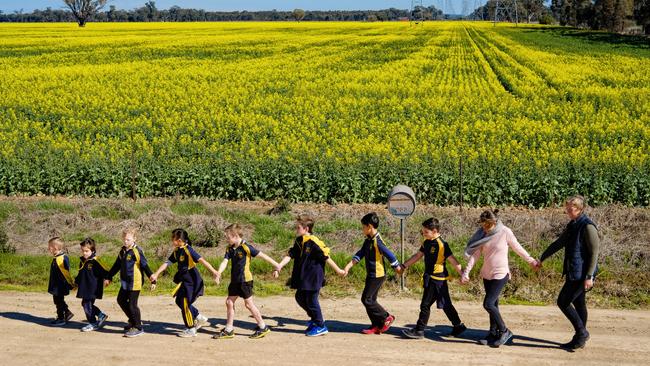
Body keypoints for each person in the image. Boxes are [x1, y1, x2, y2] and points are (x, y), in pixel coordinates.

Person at [461, 209, 539, 347]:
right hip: (487, 274)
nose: (484, 228)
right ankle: (493, 333)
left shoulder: (505, 232)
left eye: (487, 225)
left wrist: (531, 261)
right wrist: (466, 272)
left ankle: (504, 331)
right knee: (494, 305)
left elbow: (517, 248)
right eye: (482, 225)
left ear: (494, 222)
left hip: (500, 273)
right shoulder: (482, 234)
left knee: (488, 304)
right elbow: (475, 255)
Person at [538, 195, 600, 350]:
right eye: (567, 207)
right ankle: (580, 338)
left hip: (582, 274)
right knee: (579, 303)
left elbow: (594, 253)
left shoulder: (587, 226)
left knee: (563, 302)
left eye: (570, 208)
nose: (567, 210)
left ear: (579, 209)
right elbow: (560, 242)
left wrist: (589, 276)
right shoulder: (573, 224)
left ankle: (582, 332)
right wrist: (542, 257)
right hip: (574, 270)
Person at [276, 214, 346, 337]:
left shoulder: (314, 242)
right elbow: (290, 254)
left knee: (312, 300)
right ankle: (315, 318)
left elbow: (326, 257)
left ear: (306, 229)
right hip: (303, 277)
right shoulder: (299, 241)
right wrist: (280, 265)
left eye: (298, 227)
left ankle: (320, 326)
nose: (296, 230)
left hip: (314, 277)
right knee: (299, 297)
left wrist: (338, 270)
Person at [212, 224, 281, 339]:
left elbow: (263, 256)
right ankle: (229, 329)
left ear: (235, 236)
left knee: (248, 304)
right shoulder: (229, 248)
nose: (226, 239)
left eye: (228, 237)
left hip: (245, 281)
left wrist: (277, 266)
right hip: (234, 281)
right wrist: (219, 272)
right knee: (229, 302)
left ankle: (263, 327)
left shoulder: (246, 247)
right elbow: (225, 261)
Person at [401, 217, 466, 339]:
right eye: (423, 232)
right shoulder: (426, 242)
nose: (424, 234)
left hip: (437, 279)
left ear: (435, 231)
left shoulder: (442, 245)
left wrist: (463, 273)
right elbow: (418, 255)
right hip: (431, 278)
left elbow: (453, 260)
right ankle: (458, 326)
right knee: (446, 304)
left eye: (426, 232)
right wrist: (404, 265)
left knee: (425, 305)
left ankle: (419, 330)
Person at [150, 228, 220, 338]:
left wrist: (214, 272)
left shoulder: (188, 250)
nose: (171, 240)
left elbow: (202, 260)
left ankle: (191, 329)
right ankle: (198, 316)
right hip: (185, 280)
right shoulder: (177, 250)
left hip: (192, 280)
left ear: (178, 240)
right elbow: (167, 262)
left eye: (172, 238)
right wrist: (157, 273)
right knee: (179, 301)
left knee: (184, 303)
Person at [342, 212, 401, 334]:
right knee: (370, 300)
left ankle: (386, 317)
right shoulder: (368, 240)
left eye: (363, 227)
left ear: (369, 227)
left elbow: (390, 255)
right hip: (371, 274)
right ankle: (376, 325)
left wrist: (397, 267)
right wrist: (348, 267)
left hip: (378, 275)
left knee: (367, 299)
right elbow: (360, 254)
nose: (362, 229)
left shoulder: (377, 242)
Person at [105, 227, 155, 338]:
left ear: (134, 239)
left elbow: (145, 265)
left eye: (128, 239)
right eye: (124, 239)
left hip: (135, 282)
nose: (125, 241)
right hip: (125, 282)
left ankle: (138, 327)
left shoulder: (137, 251)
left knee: (132, 305)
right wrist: (109, 277)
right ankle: (133, 321)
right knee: (121, 300)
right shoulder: (122, 251)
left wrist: (152, 277)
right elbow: (116, 265)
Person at [75, 237, 110, 332]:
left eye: (86, 251)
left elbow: (105, 271)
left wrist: (107, 278)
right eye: (83, 251)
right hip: (84, 287)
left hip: (93, 288)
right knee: (86, 304)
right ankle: (101, 315)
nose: (84, 253)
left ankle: (93, 323)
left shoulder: (96, 261)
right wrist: (76, 283)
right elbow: (80, 274)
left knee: (86, 304)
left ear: (93, 250)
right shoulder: (83, 261)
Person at [47, 237, 75, 326]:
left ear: (55, 247)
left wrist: (71, 284)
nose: (48, 249)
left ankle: (61, 318)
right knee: (58, 301)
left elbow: (66, 273)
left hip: (60, 286)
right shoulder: (56, 258)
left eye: (50, 247)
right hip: (56, 285)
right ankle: (67, 313)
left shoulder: (62, 258)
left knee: (59, 301)